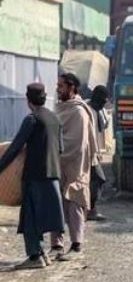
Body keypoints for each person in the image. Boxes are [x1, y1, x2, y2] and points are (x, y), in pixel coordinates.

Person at [0, 83, 65, 270]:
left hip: (35, 175)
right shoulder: (55, 119)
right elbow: (60, 148)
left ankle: (35, 256)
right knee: (43, 216)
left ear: (29, 101)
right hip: (53, 174)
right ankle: (42, 254)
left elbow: (15, 147)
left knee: (30, 216)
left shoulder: (31, 120)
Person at [51, 73, 98, 260]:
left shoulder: (78, 112)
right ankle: (56, 244)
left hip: (75, 165)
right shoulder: (61, 107)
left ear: (72, 87)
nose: (58, 89)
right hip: (58, 163)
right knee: (56, 202)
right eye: (57, 85)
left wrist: (56, 154)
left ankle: (76, 244)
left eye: (61, 86)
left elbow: (76, 144)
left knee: (74, 202)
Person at [85, 85, 109, 221]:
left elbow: (102, 128)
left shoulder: (100, 111)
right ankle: (89, 210)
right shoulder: (86, 110)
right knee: (99, 179)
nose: (104, 103)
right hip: (86, 152)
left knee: (92, 180)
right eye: (102, 100)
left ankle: (90, 209)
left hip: (96, 153)